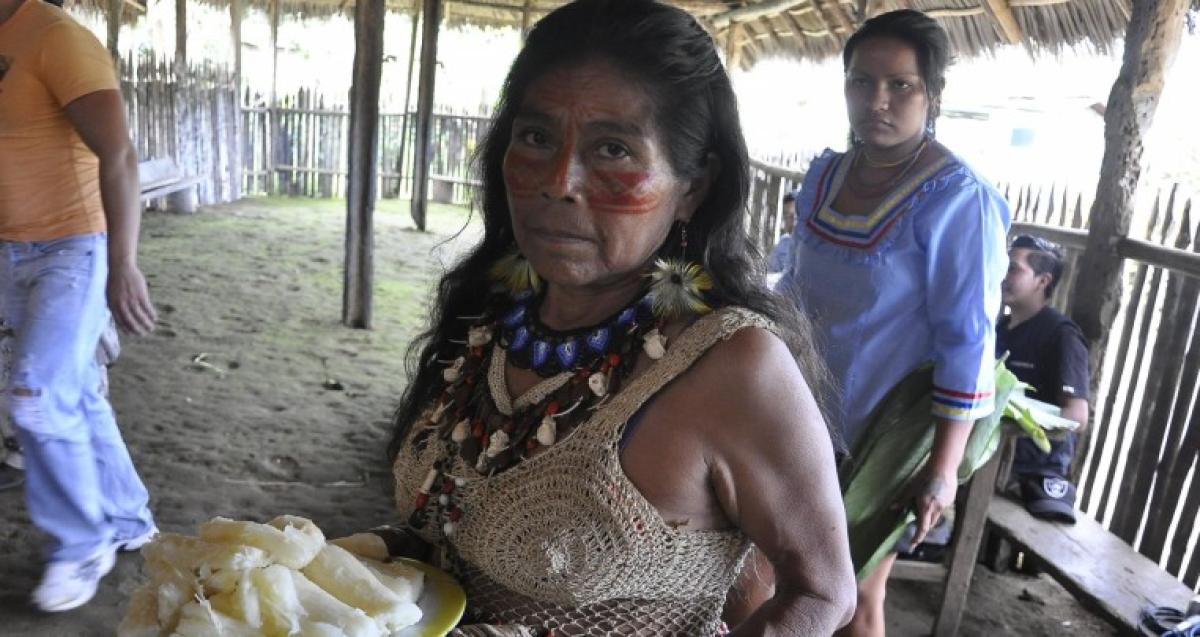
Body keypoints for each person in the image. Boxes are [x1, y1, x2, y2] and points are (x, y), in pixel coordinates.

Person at [378, 0, 857, 634]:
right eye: (535, 137)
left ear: (692, 187)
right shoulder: (490, 320)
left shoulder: (730, 363)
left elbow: (822, 593)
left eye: (613, 148)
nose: (559, 181)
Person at [775, 10, 1010, 636]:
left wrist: (939, 473)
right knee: (784, 578)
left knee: (852, 593)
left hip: (881, 437)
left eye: (900, 85)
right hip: (799, 412)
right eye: (861, 81)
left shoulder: (959, 199)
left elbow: (968, 339)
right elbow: (795, 284)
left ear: (932, 94)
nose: (876, 100)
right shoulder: (826, 174)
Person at [0, 0, 159, 612]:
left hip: (73, 247)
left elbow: (117, 155)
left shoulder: (55, 38)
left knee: (35, 398)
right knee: (75, 393)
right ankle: (125, 518)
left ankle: (80, 543)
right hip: (10, 252)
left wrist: (122, 265)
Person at [998, 234, 1089, 524]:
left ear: (1042, 281)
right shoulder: (999, 328)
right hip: (986, 460)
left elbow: (1077, 417)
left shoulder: (1061, 336)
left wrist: (1008, 427)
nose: (1003, 275)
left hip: (1026, 473)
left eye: (1013, 269)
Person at [766, 191, 797, 274]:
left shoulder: (811, 248)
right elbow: (770, 273)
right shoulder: (783, 244)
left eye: (793, 216)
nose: (789, 222)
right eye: (786, 216)